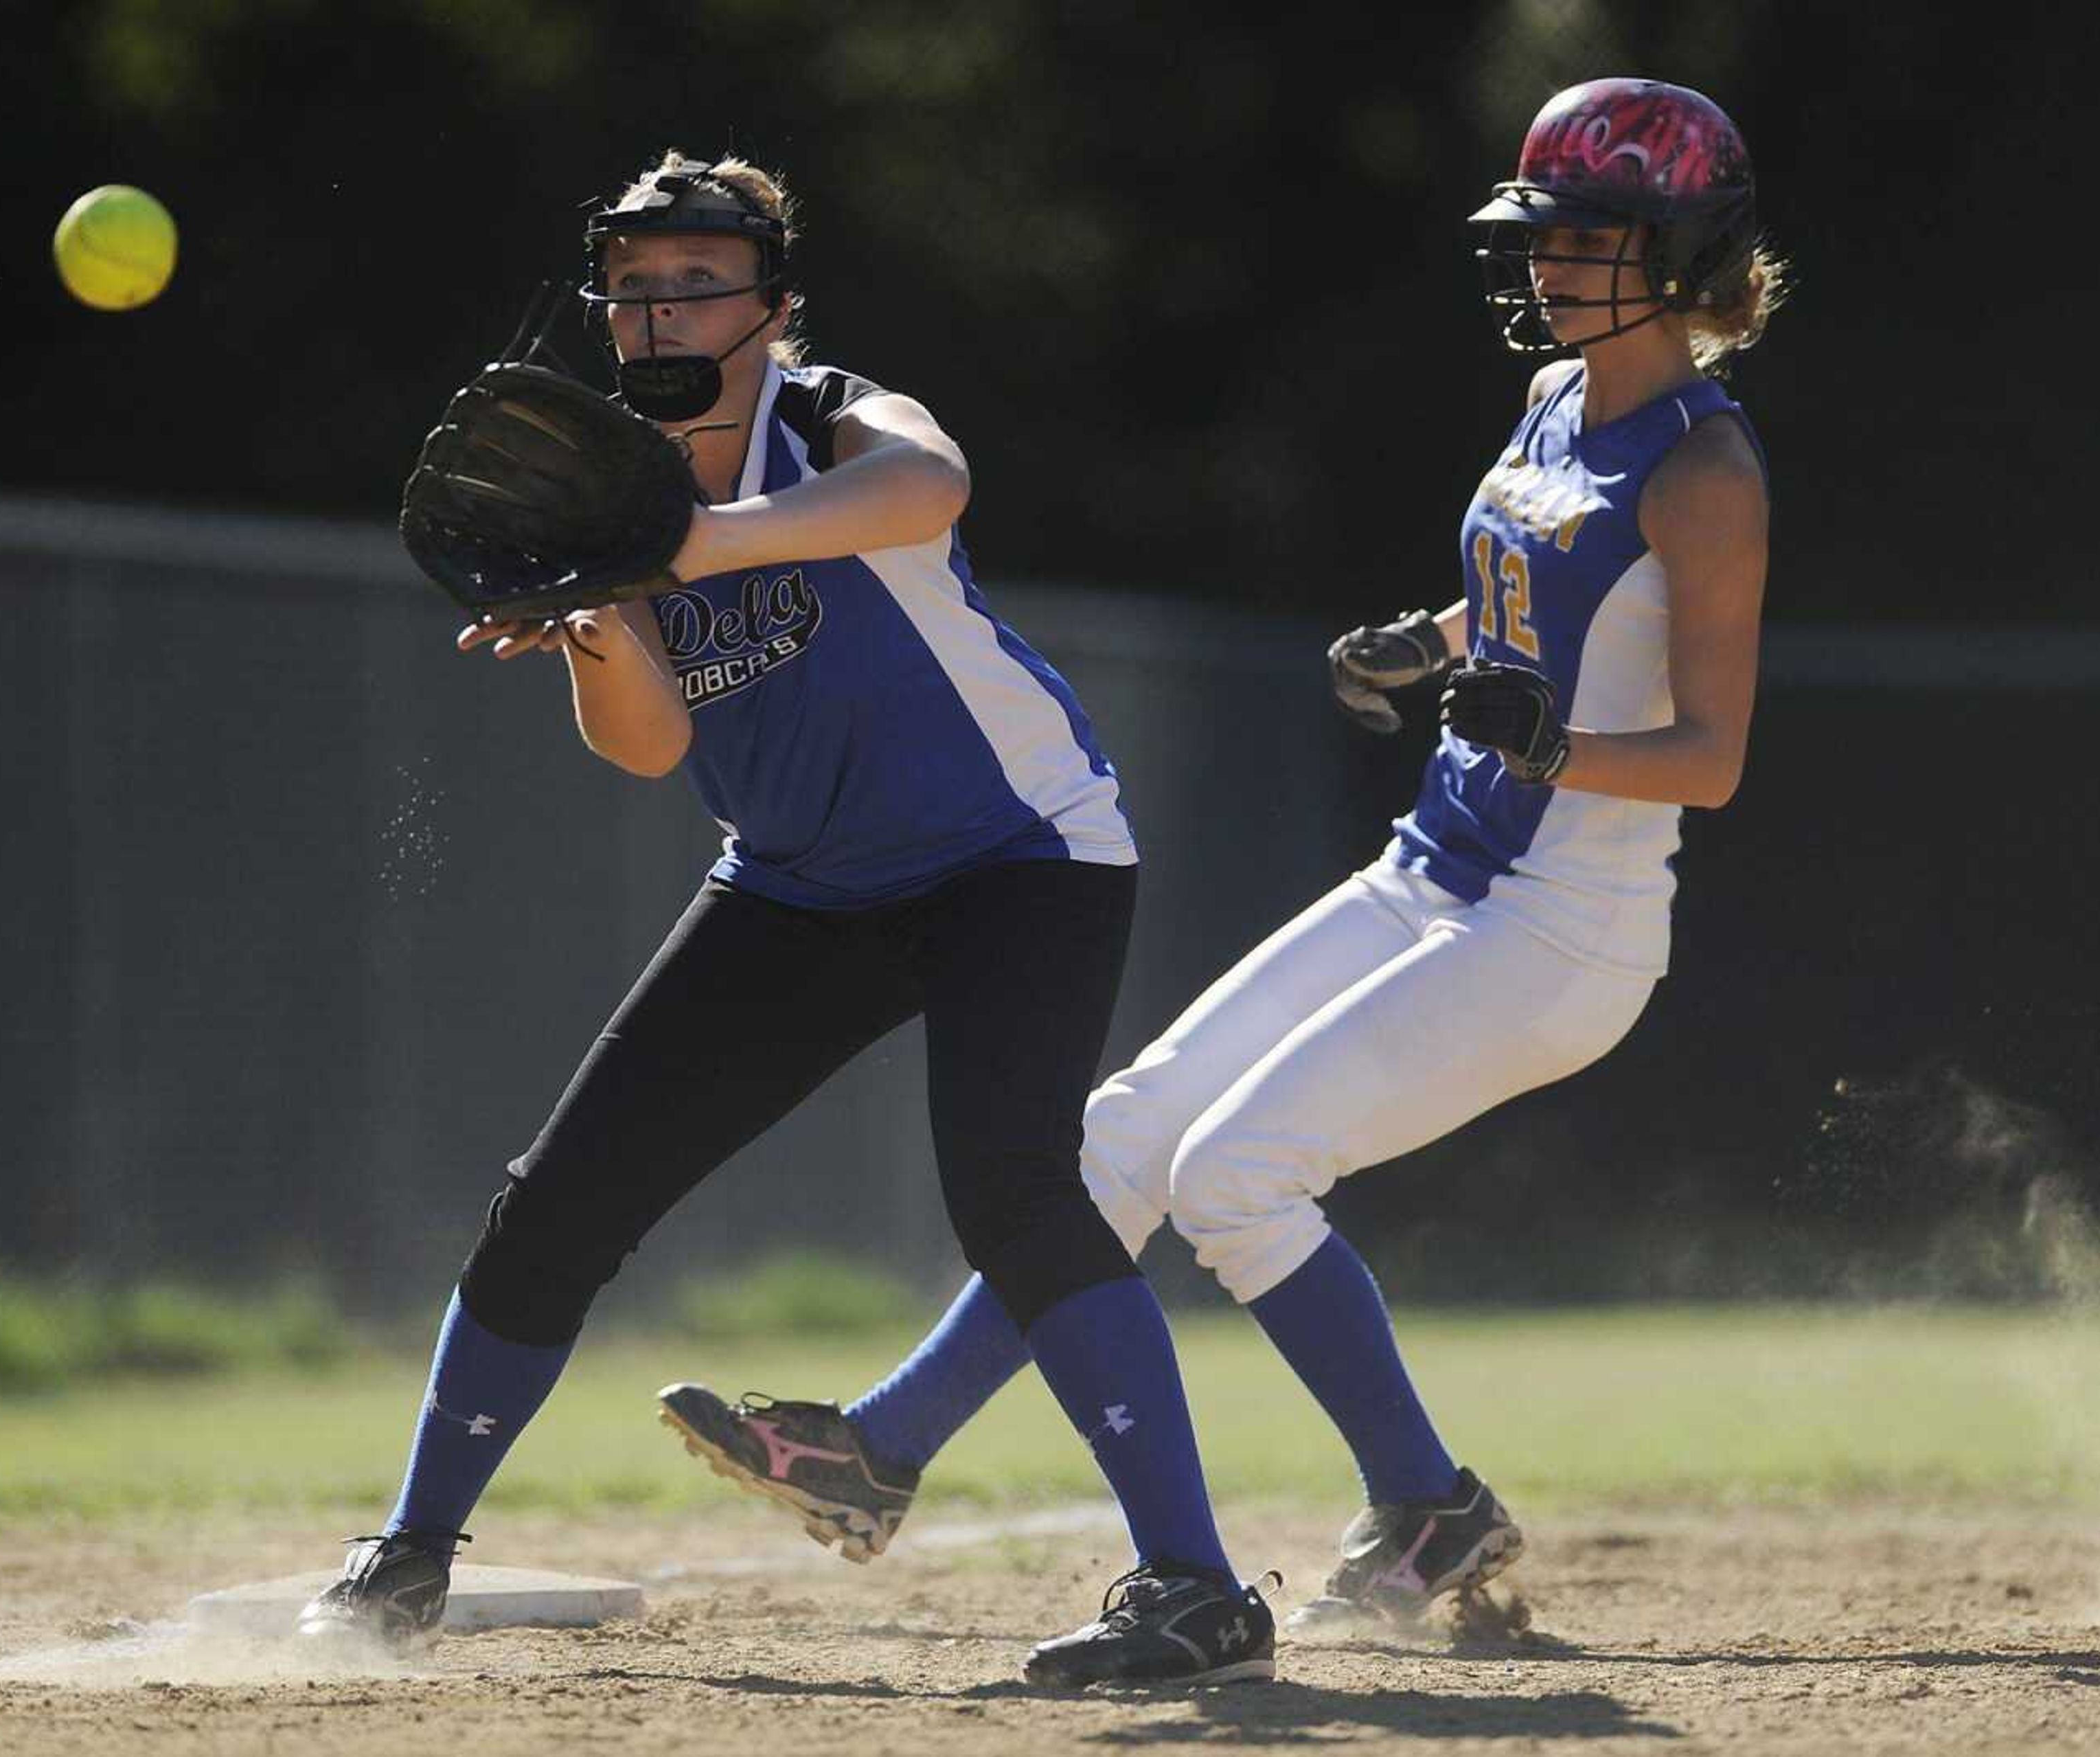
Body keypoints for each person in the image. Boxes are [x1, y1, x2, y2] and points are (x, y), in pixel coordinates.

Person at [657, 77, 1784, 1630]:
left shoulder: (1707, 469)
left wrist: (1543, 743)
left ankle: (1430, 1506)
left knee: (1237, 1177)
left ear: (1678, 247)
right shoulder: (1559, 400)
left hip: (1562, 924)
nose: (1543, 265)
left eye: (1584, 236)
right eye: (1538, 234)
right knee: (1121, 1139)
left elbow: (1711, 757)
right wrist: (1436, 633)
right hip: (1436, 866)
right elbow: (1560, 589)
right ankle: (879, 1450)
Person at [296, 151, 1276, 1689]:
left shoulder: (825, 417)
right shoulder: (602, 492)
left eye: (700, 278)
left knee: (1015, 1192)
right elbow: (650, 746)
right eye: (634, 285)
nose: (661, 306)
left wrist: (686, 545)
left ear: (775, 304)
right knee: (564, 1194)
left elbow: (932, 485)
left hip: (1019, 853)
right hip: (800, 884)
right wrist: (588, 623)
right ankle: (409, 1550)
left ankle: (1197, 1588)